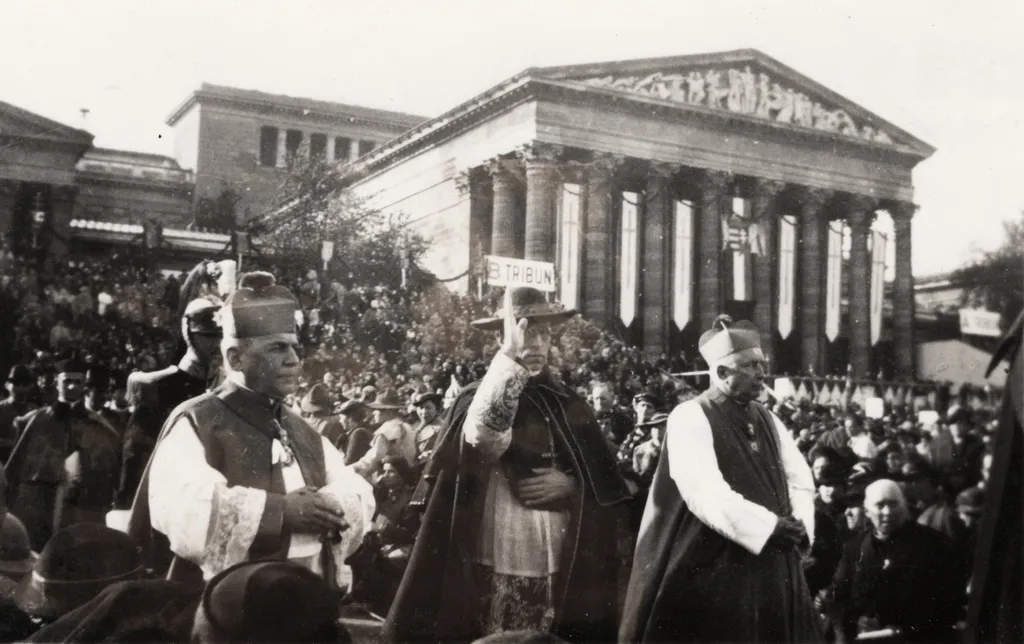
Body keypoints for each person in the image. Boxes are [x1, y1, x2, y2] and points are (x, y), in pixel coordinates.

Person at [385, 287, 632, 643]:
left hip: (563, 549)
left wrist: (573, 485)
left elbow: (606, 478)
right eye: (525, 330)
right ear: (502, 337)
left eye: (543, 332)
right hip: (497, 541)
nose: (535, 341)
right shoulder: (477, 395)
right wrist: (510, 356)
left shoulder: (567, 400)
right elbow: (485, 437)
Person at [128, 271, 375, 587]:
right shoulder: (197, 420)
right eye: (276, 349)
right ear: (236, 358)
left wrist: (329, 506)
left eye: (294, 348)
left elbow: (357, 492)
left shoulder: (303, 430)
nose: (294, 360)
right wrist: (282, 512)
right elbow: (187, 507)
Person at [619, 315, 821, 643]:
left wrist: (800, 524)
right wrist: (769, 527)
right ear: (723, 372)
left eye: (762, 364)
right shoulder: (690, 415)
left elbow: (800, 479)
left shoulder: (769, 419)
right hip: (716, 560)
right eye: (751, 366)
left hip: (776, 558)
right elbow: (705, 492)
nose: (761, 373)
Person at [116, 297, 222, 510]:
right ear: (189, 335)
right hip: (165, 502)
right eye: (207, 337)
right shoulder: (157, 386)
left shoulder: (226, 386)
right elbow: (136, 460)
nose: (216, 344)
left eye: (221, 336)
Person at [5, 358, 120, 550]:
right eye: (67, 381)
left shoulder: (98, 425)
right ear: (57, 383)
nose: (72, 386)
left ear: (84, 385)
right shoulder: (39, 419)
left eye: (77, 381)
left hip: (79, 507)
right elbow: (14, 467)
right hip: (39, 502)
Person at [830, 479, 960, 643]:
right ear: (867, 511)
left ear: (904, 506)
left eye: (893, 504)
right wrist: (856, 620)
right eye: (880, 505)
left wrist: (906, 628)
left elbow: (949, 600)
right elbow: (840, 595)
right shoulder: (854, 548)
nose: (887, 511)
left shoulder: (933, 544)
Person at [353, 388, 415, 482]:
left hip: (391, 479)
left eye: (378, 410)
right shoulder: (406, 426)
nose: (374, 413)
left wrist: (350, 470)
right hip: (408, 476)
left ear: (389, 412)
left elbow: (372, 460)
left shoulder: (387, 430)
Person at [0, 365, 35, 463]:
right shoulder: (1, 409)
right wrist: (14, 443)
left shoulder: (34, 411)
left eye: (25, 384)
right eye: (16, 383)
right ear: (7, 385)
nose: (20, 388)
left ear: (30, 386)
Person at [410, 392, 443, 474]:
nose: (424, 411)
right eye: (421, 407)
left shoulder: (439, 429)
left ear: (437, 409)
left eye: (428, 408)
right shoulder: (419, 426)